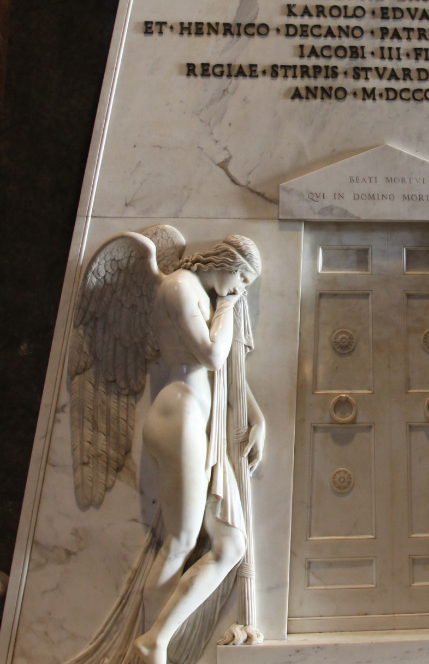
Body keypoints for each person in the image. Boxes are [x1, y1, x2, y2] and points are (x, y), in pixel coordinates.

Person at [134, 236, 265, 664]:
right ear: (225, 261)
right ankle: (151, 645)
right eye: (241, 277)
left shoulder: (204, 295)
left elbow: (226, 371)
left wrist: (257, 417)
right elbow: (212, 354)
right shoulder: (178, 286)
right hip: (178, 418)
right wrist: (227, 305)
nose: (240, 287)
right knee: (181, 540)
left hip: (201, 427)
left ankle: (156, 639)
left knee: (230, 547)